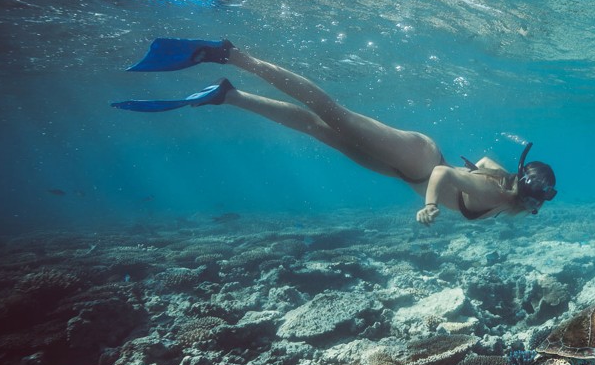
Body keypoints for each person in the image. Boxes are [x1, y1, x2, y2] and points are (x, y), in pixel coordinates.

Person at [112, 38, 557, 225]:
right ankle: (231, 54)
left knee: (317, 129)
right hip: (421, 162)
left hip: (404, 171)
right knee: (332, 112)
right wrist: (427, 208)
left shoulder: (505, 189)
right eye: (536, 202)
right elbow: (445, 178)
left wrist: (493, 175)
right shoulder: (501, 197)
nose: (536, 210)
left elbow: (482, 163)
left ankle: (226, 95)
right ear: (525, 193)